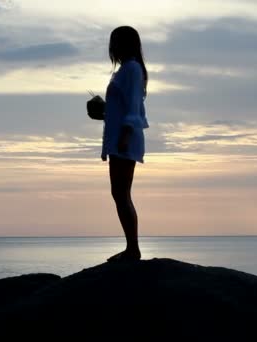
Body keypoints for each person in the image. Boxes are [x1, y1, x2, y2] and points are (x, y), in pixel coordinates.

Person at [101, 26, 149, 262]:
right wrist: (103, 111)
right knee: (119, 193)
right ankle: (131, 247)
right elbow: (123, 107)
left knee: (121, 193)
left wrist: (125, 135)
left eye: (115, 42)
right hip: (121, 136)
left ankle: (133, 249)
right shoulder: (125, 70)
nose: (112, 47)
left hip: (125, 138)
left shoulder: (131, 69)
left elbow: (133, 107)